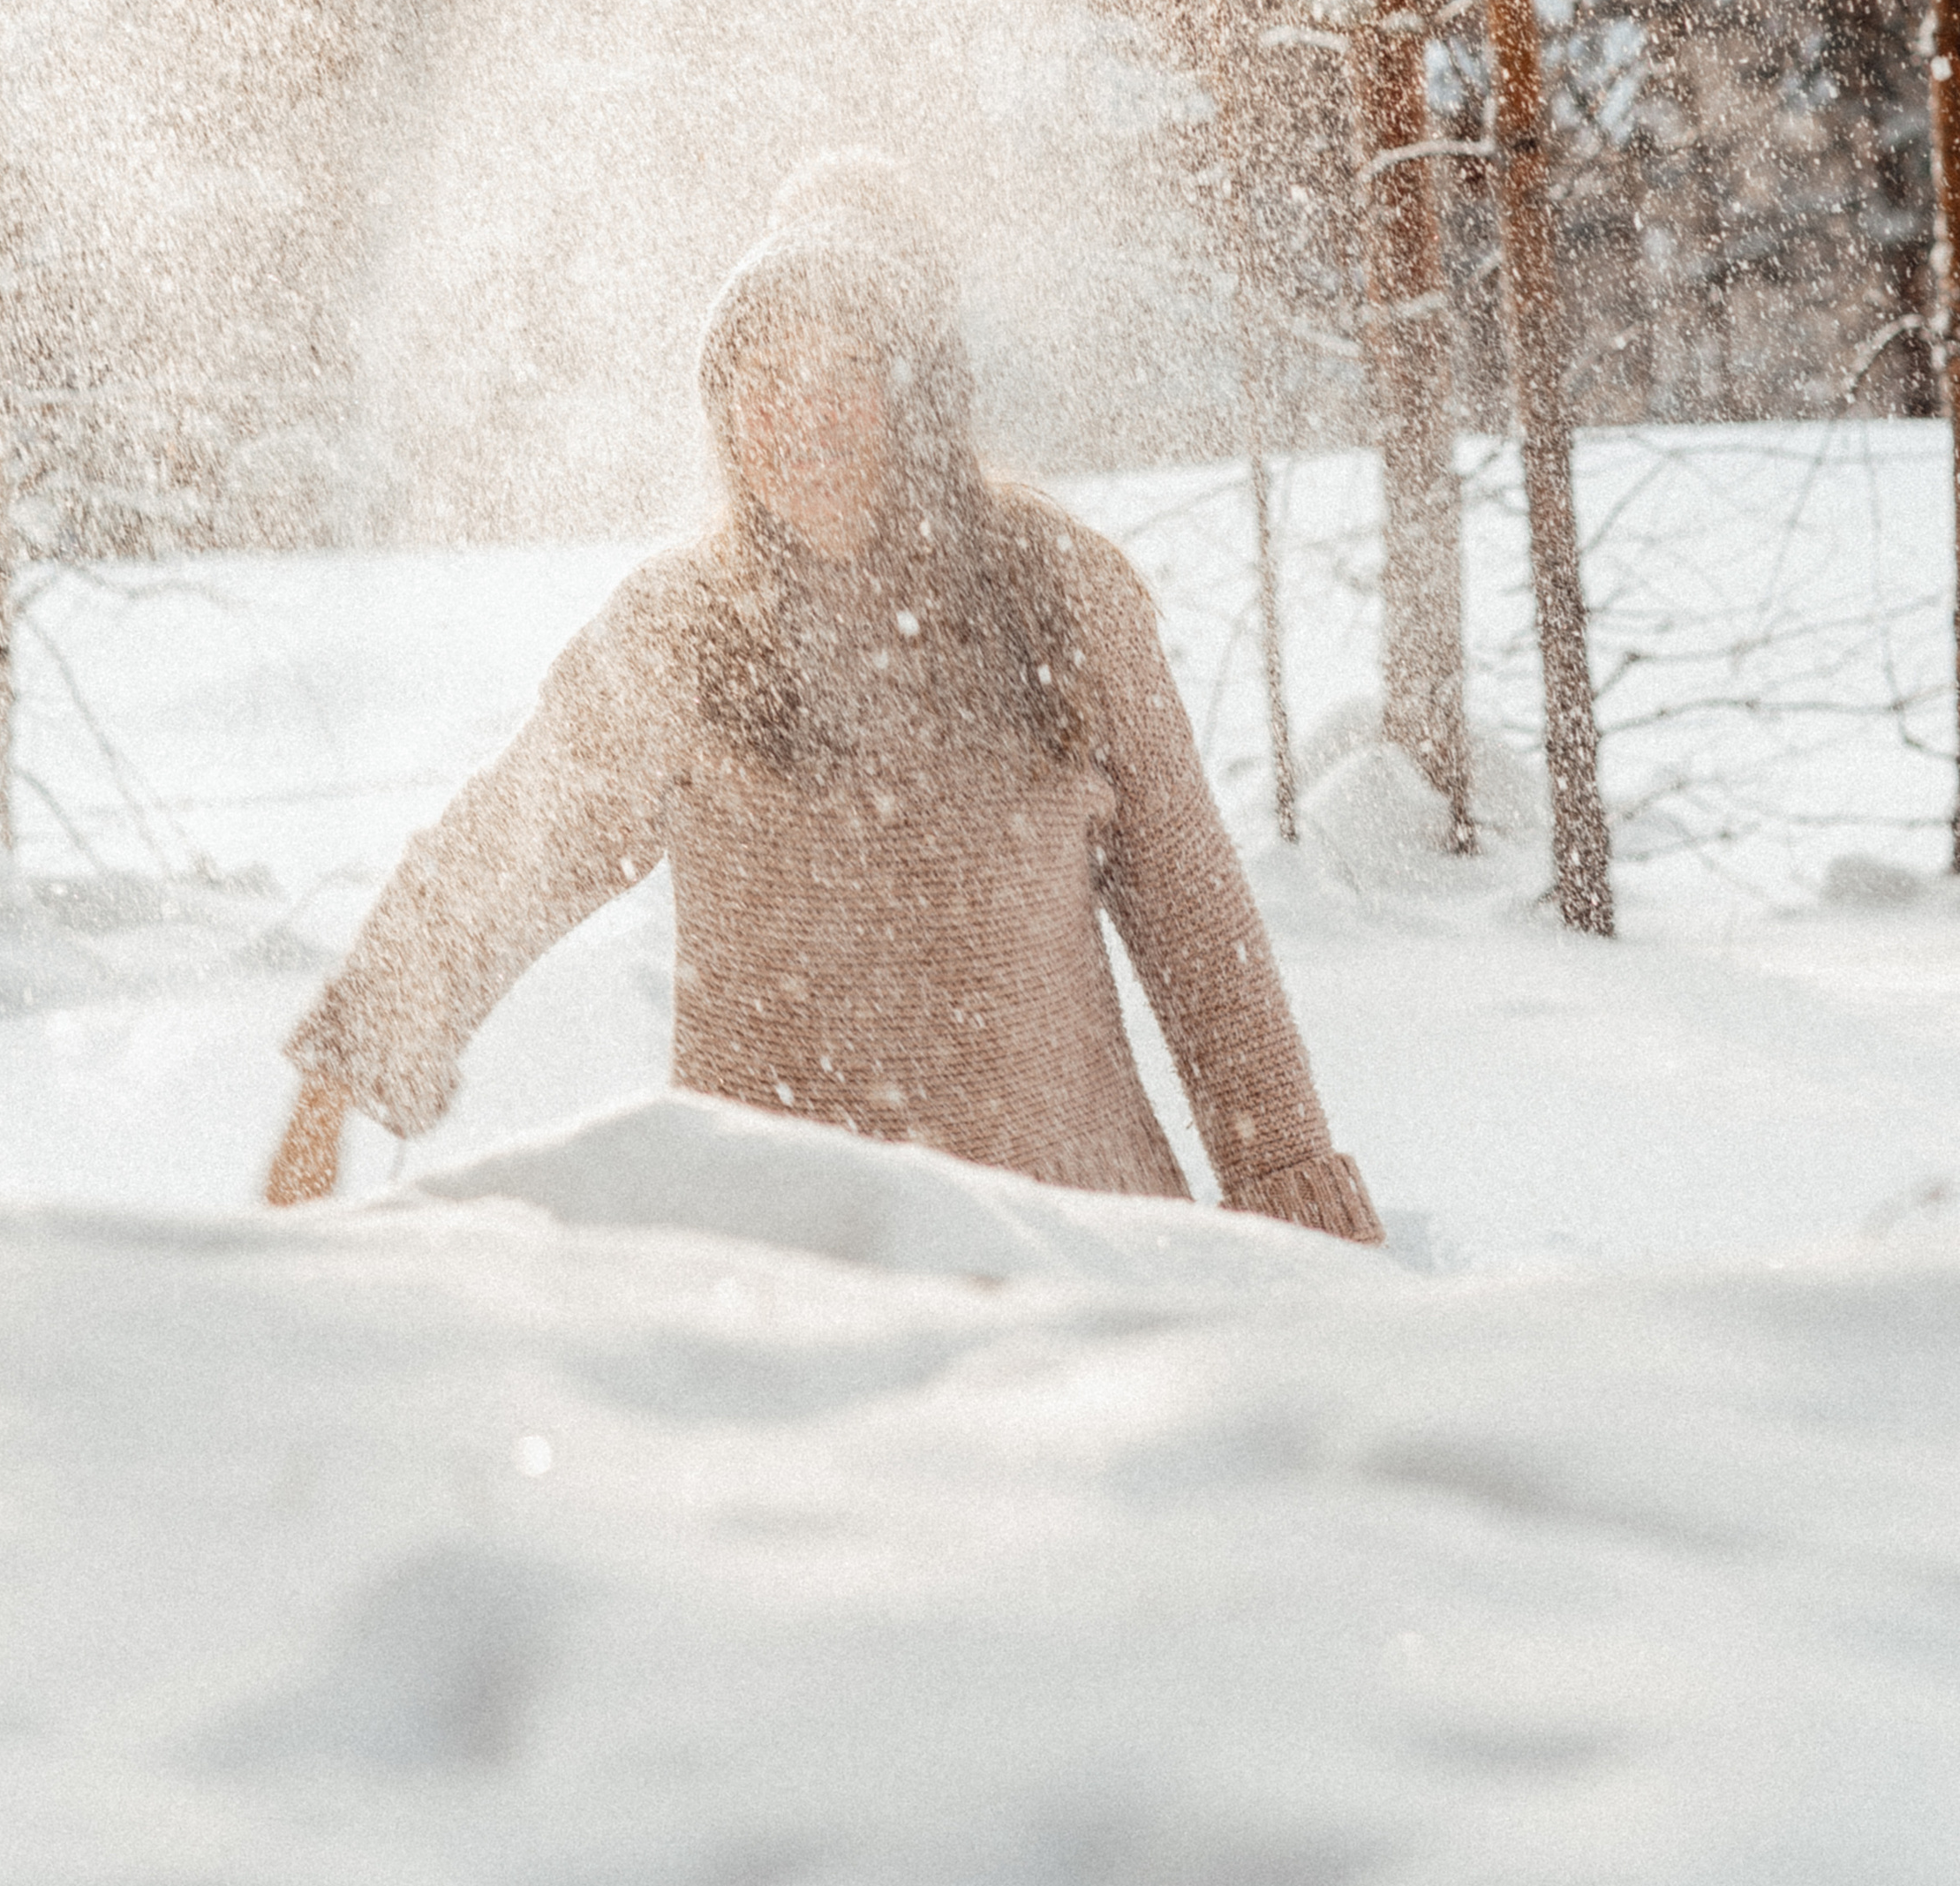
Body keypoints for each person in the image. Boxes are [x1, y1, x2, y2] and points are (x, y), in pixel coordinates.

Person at [264, 157, 1382, 1240]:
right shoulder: (681, 628)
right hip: (780, 1285)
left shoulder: (1063, 596)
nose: (799, 414)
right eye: (760, 378)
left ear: (921, 398)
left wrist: (1286, 1180)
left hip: (1067, 1256)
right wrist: (340, 1076)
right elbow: (503, 850)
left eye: (845, 369)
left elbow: (1196, 924)